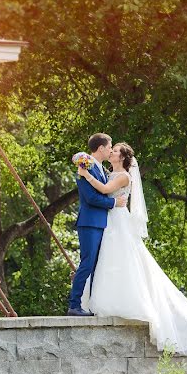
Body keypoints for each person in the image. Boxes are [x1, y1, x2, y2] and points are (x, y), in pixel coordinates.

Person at [78, 142, 187, 354]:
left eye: (115, 151)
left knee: (123, 260)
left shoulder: (124, 176)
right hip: (109, 221)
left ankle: (127, 301)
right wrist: (85, 167)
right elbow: (98, 180)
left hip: (119, 221)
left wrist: (86, 175)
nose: (112, 152)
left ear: (123, 158)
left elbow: (105, 190)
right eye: (111, 149)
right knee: (107, 261)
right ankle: (101, 301)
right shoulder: (107, 172)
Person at [67, 133, 128, 316]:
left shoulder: (102, 169)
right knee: (87, 263)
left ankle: (92, 303)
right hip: (89, 222)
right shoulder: (86, 166)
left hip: (101, 223)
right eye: (109, 147)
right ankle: (74, 305)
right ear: (101, 148)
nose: (110, 150)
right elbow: (91, 197)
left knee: (96, 265)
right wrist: (113, 203)